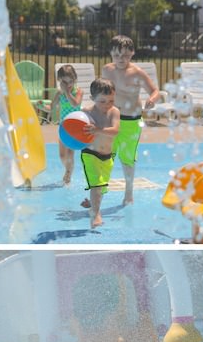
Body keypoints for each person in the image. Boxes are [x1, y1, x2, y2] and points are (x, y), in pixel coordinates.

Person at [100, 34, 161, 206]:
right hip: (111, 119)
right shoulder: (107, 70)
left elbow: (155, 91)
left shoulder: (137, 73)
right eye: (117, 55)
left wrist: (152, 100)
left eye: (126, 55)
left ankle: (128, 192)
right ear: (111, 53)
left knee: (127, 158)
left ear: (132, 53)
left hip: (131, 121)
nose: (121, 59)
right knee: (104, 155)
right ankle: (99, 192)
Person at [79, 78, 120, 229]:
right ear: (92, 99)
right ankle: (96, 214)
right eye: (102, 101)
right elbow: (75, 130)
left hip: (107, 156)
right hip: (90, 153)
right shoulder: (86, 113)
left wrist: (98, 130)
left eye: (111, 101)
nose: (107, 105)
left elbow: (115, 131)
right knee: (97, 183)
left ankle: (92, 202)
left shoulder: (114, 112)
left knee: (102, 187)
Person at [48, 65, 84, 185]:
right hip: (63, 127)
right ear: (59, 81)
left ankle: (69, 173)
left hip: (75, 127)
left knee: (70, 153)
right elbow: (51, 107)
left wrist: (68, 92)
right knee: (62, 155)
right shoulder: (59, 94)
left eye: (70, 81)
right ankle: (68, 169)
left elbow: (75, 104)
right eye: (64, 81)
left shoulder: (78, 91)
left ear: (75, 79)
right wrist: (41, 106)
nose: (68, 84)